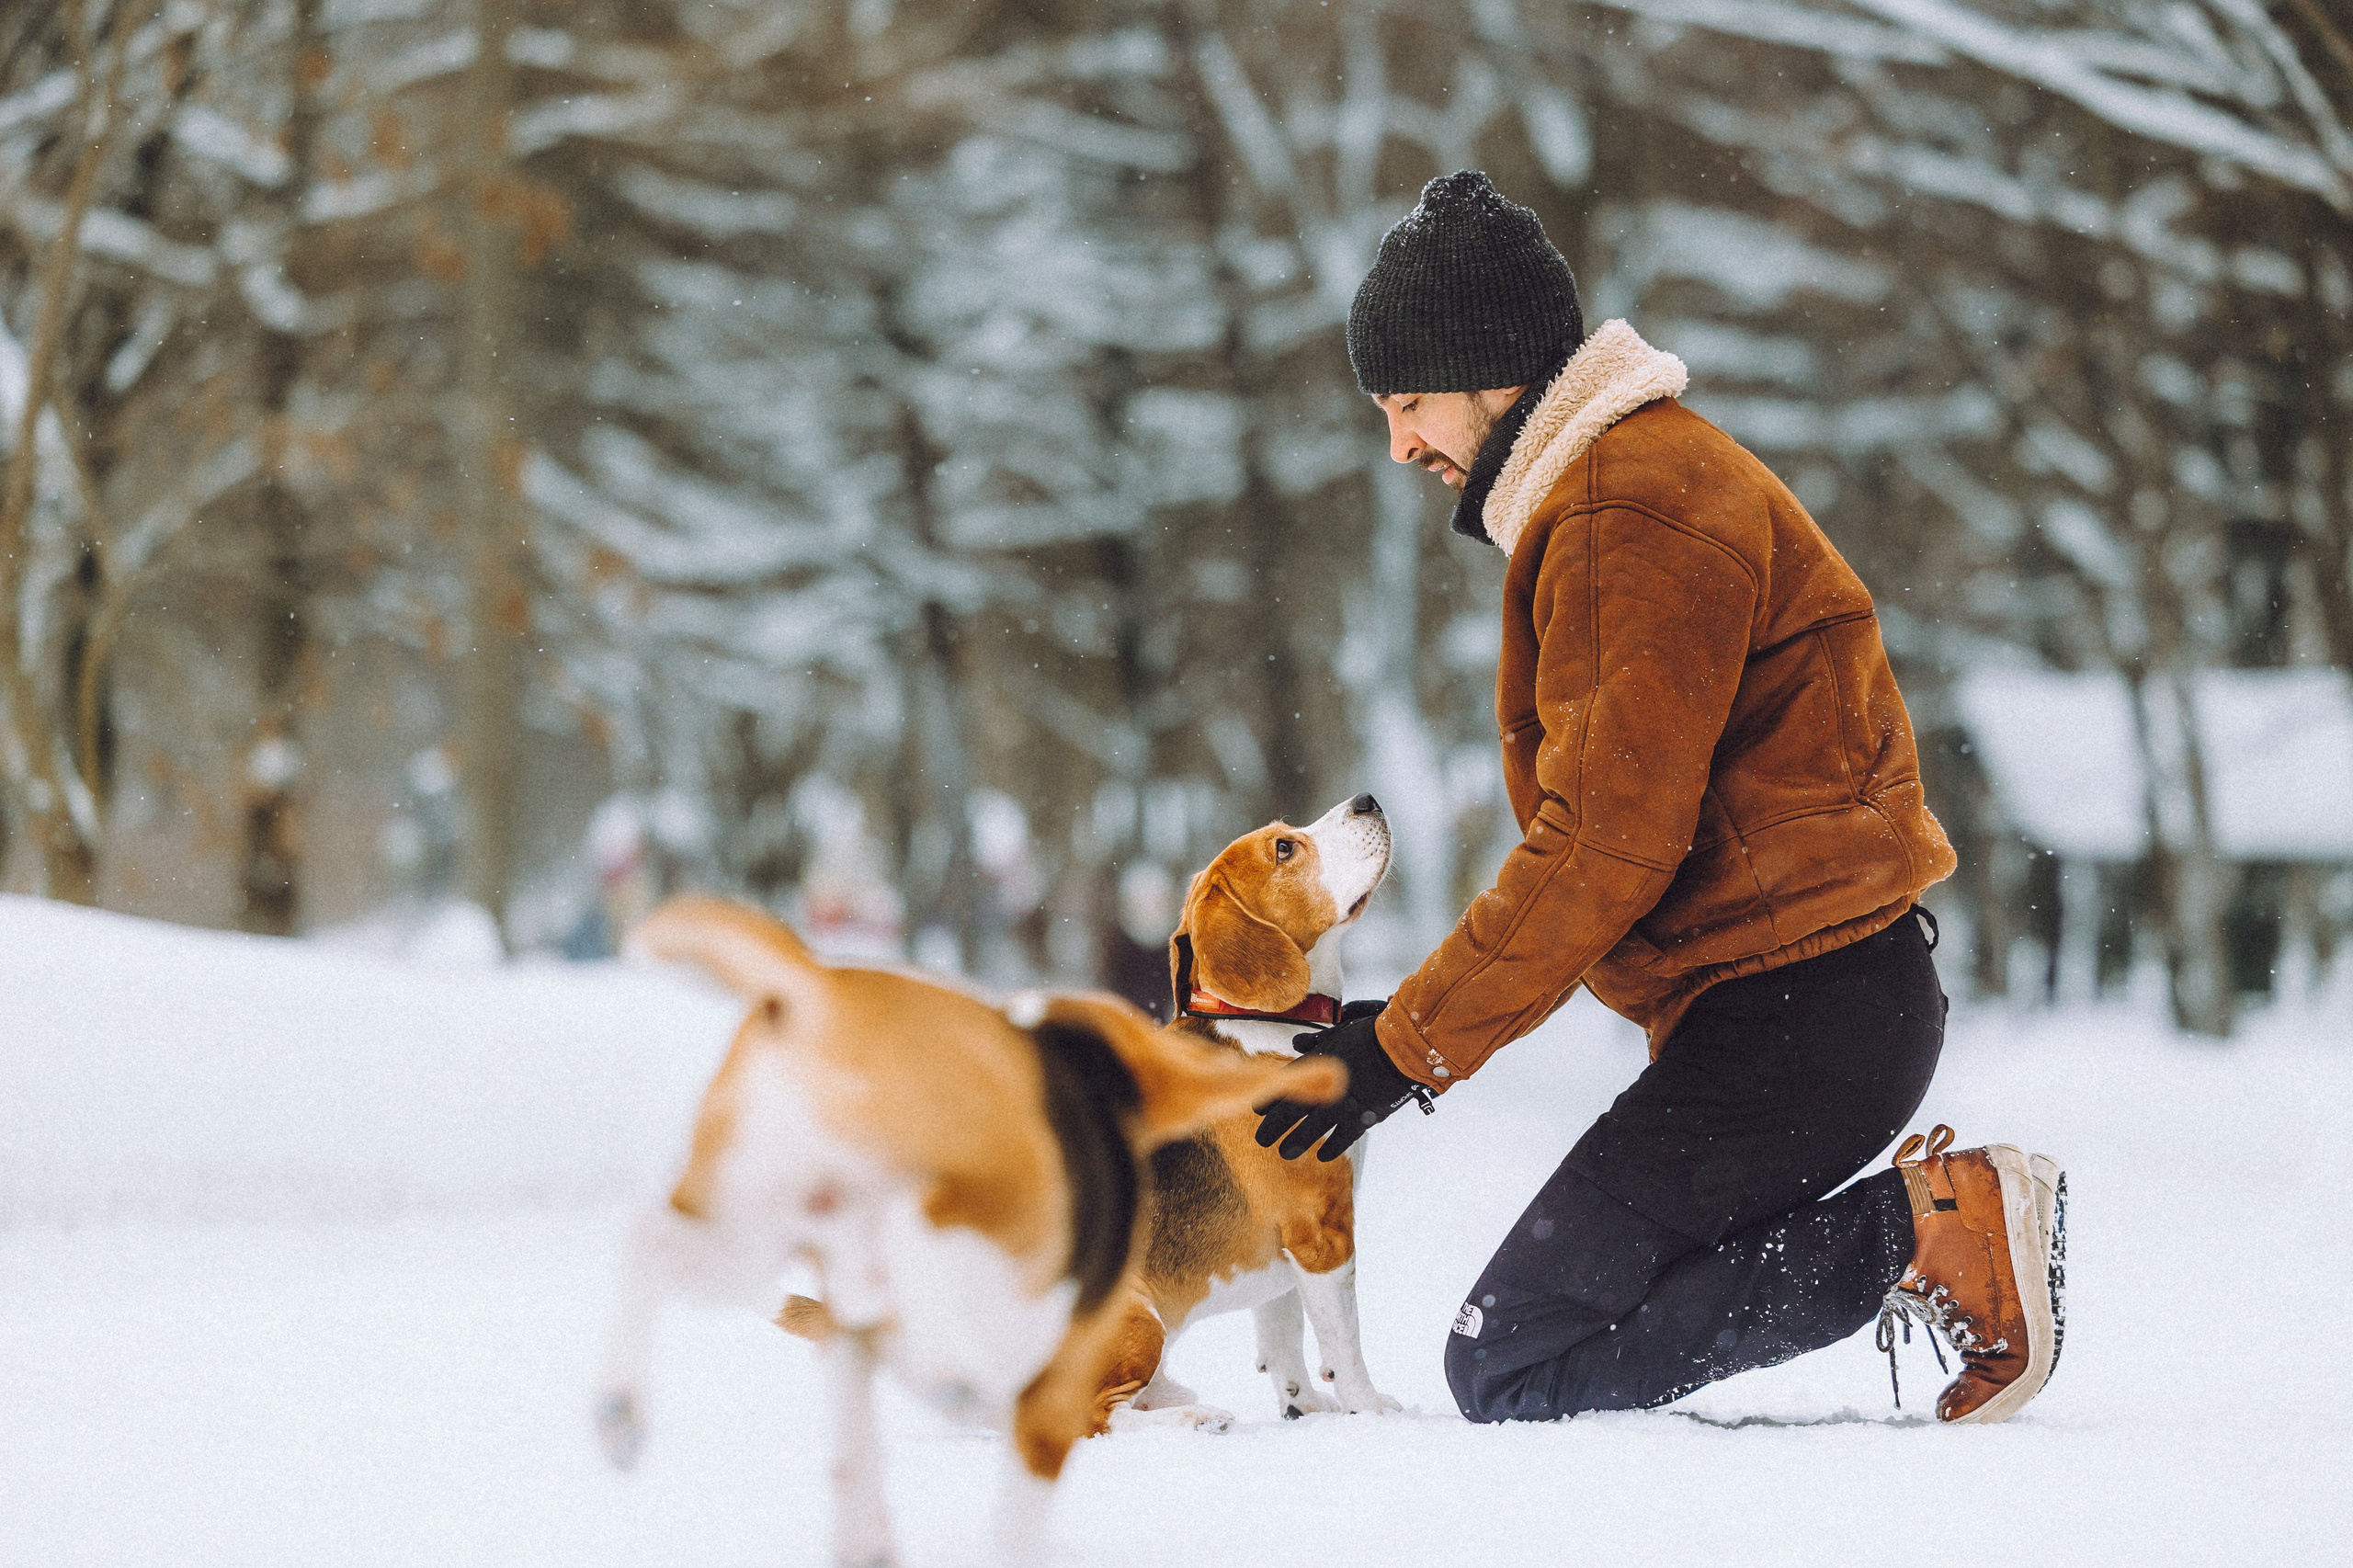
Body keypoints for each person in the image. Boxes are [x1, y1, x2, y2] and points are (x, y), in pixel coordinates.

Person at [1252, 172, 2065, 1426]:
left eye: (1410, 402)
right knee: (1547, 1333)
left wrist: (1402, 1046)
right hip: (1804, 1012)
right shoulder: (1621, 488)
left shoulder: (1625, 506)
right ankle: (1925, 1227)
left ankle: (1930, 1230)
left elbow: (1604, 845)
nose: (1401, 442)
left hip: (1803, 1016)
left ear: (1490, 371)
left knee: (1513, 1356)